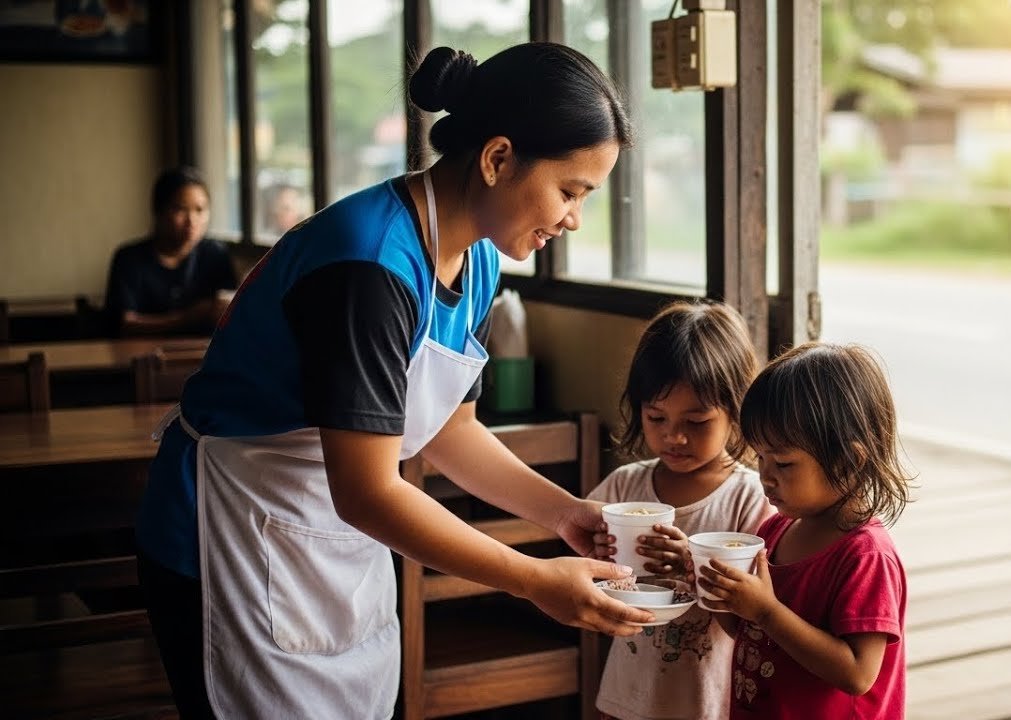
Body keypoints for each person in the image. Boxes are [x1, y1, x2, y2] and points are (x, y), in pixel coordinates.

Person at [134, 43, 652, 720]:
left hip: (327, 535)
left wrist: (566, 514)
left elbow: (450, 431)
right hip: (232, 532)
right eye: (570, 191)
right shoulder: (369, 264)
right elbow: (369, 491)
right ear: (497, 159)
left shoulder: (479, 260)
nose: (573, 218)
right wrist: (531, 579)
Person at [697, 343, 912, 720]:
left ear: (848, 460)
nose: (765, 476)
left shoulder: (866, 556)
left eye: (782, 463)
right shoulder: (775, 531)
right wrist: (713, 586)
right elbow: (748, 632)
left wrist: (766, 611)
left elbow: (858, 673)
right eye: (760, 457)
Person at [588, 301, 774, 720]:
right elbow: (582, 573)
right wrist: (597, 556)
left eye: (696, 422)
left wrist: (691, 564)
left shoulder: (750, 498)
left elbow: (759, 620)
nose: (674, 436)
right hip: (627, 696)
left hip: (708, 701)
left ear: (735, 411)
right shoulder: (624, 488)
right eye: (656, 418)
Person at [103, 166, 238, 337]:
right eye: (180, 209)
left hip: (201, 351)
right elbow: (123, 324)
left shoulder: (216, 254)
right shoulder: (129, 259)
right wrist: (187, 318)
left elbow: (231, 311)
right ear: (158, 211)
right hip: (140, 350)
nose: (192, 221)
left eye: (200, 210)